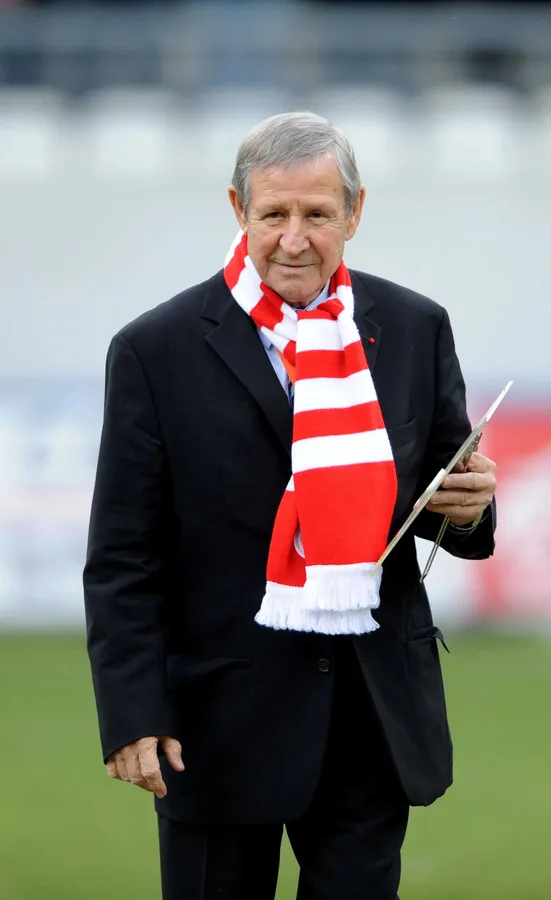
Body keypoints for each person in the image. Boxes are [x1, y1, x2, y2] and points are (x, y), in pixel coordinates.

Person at [83, 111, 497, 900]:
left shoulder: (414, 326)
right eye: (274, 214)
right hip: (216, 724)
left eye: (317, 214)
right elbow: (124, 555)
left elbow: (447, 497)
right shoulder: (154, 349)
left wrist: (469, 507)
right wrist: (133, 712)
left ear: (354, 212)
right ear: (238, 210)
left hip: (371, 714)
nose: (294, 239)